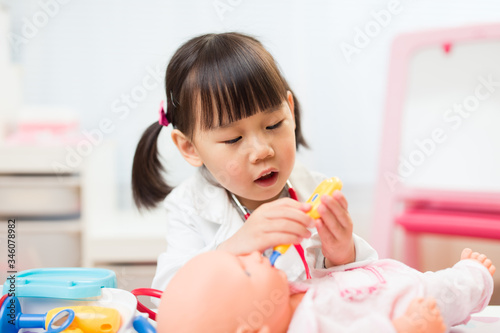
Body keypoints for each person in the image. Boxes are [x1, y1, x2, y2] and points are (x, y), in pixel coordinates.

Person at [131, 32, 377, 293]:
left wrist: (342, 255)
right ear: (190, 147)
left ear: (290, 112)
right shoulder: (188, 207)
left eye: (273, 124)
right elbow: (168, 296)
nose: (262, 151)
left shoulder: (314, 189)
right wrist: (235, 247)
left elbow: (363, 287)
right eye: (233, 138)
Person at [156, 248, 495, 333]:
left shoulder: (284, 292)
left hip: (384, 279)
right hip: (410, 307)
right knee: (452, 289)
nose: (253, 255)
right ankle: (478, 279)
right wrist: (402, 329)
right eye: (246, 270)